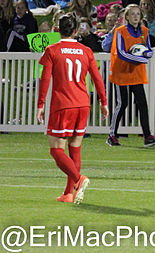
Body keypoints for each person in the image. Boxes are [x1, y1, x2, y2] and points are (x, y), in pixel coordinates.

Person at [36, 13, 108, 204]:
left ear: (58, 29)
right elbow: (97, 78)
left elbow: (45, 79)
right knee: (74, 149)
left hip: (63, 104)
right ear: (76, 30)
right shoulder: (86, 51)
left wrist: (40, 104)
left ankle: (78, 179)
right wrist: (103, 102)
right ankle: (69, 194)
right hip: (83, 104)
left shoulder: (53, 50)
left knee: (56, 150)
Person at [107, 4, 155, 147]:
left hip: (136, 72)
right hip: (121, 72)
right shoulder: (120, 31)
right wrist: (140, 58)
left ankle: (147, 136)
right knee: (122, 103)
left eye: (138, 14)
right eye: (132, 14)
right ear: (127, 17)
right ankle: (112, 135)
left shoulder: (144, 31)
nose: (136, 16)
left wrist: (146, 55)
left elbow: (148, 50)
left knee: (142, 103)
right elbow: (121, 52)